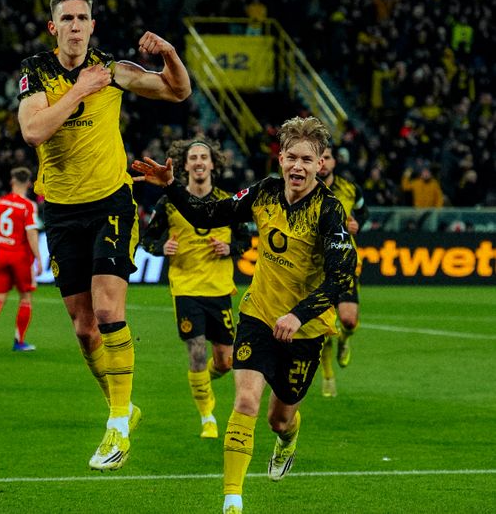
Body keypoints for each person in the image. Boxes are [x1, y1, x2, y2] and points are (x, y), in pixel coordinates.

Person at [132, 116, 357, 514]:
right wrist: (171, 187)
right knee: (246, 401)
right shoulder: (265, 191)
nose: (298, 166)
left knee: (278, 420)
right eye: (291, 157)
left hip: (305, 330)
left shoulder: (330, 212)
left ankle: (287, 440)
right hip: (258, 315)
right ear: (281, 158)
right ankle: (232, 500)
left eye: (307, 159)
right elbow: (207, 214)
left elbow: (340, 278)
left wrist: (298, 315)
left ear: (321, 163)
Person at [16, 0, 191, 471]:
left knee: (109, 308)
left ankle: (117, 424)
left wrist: (170, 54)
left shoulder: (111, 70)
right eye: (66, 19)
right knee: (84, 328)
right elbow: (33, 131)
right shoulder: (35, 72)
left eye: (82, 18)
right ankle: (122, 405)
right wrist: (79, 90)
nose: (75, 26)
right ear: (53, 27)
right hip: (62, 210)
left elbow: (178, 90)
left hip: (111, 201)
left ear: (93, 25)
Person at [141, 138, 251, 439]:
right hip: (186, 288)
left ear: (213, 163)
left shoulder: (229, 202)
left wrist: (230, 247)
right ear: (185, 165)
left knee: (225, 361)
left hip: (219, 289)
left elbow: (245, 240)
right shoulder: (169, 202)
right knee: (197, 352)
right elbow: (147, 240)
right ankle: (207, 417)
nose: (199, 162)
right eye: (193, 158)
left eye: (204, 157)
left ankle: (200, 382)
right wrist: (161, 247)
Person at [318, 144, 369, 397]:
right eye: (319, 158)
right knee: (323, 325)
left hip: (345, 259)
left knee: (348, 320)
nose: (323, 162)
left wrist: (358, 224)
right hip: (316, 264)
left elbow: (362, 212)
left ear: (334, 162)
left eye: (327, 157)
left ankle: (345, 340)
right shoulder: (305, 188)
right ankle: (328, 376)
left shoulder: (351, 189)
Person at [0, 167, 43, 352]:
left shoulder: (0, 202)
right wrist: (38, 259)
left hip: (2, 253)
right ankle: (19, 341)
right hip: (20, 255)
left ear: (12, 181)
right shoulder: (28, 205)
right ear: (29, 184)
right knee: (25, 298)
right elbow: (31, 234)